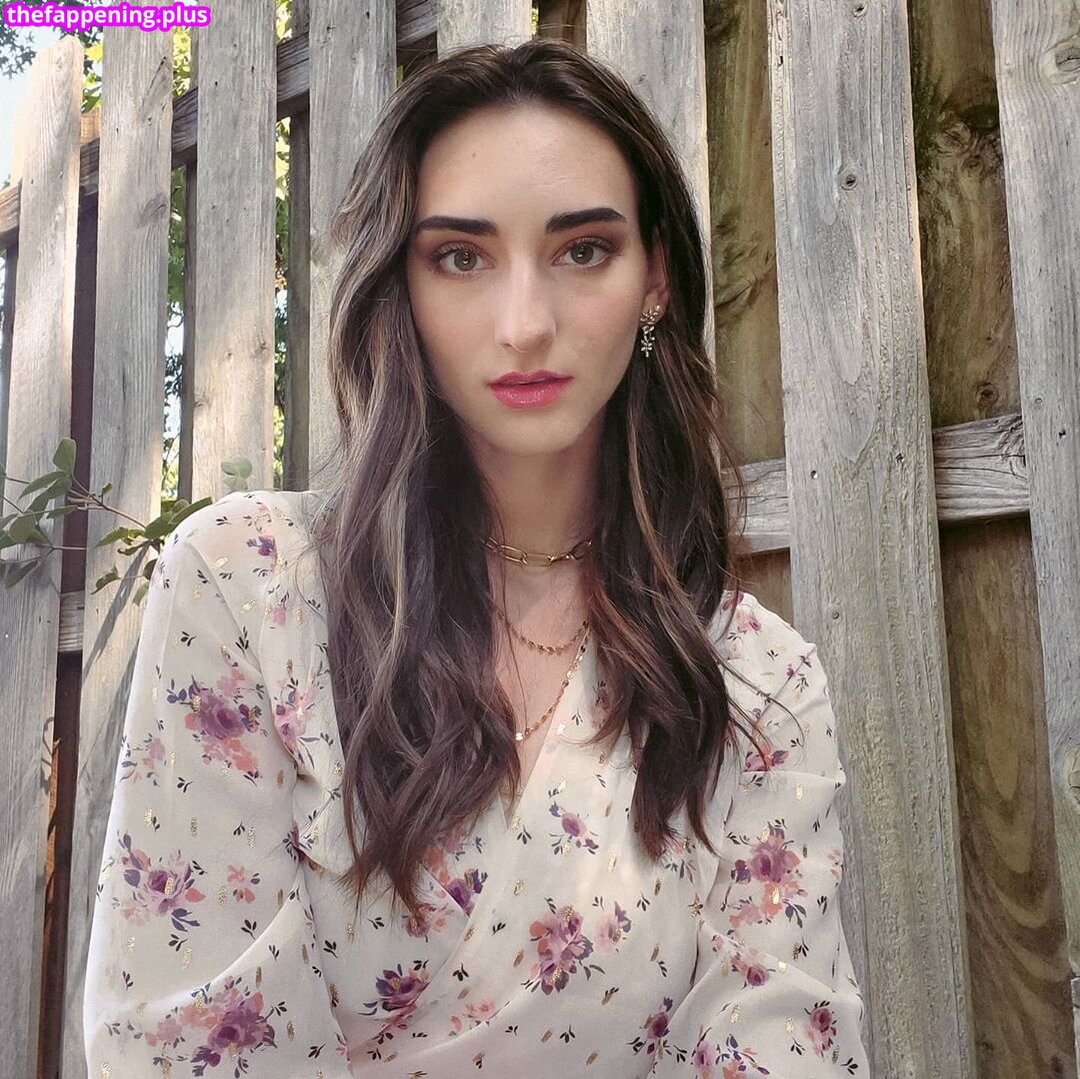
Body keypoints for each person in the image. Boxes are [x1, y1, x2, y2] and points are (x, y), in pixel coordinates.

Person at [83, 37, 869, 1077]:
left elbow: (781, 1045)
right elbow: (182, 1039)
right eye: (461, 256)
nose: (524, 324)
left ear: (655, 278)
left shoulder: (760, 684)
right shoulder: (248, 589)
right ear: (401, 288)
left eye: (583, 250)